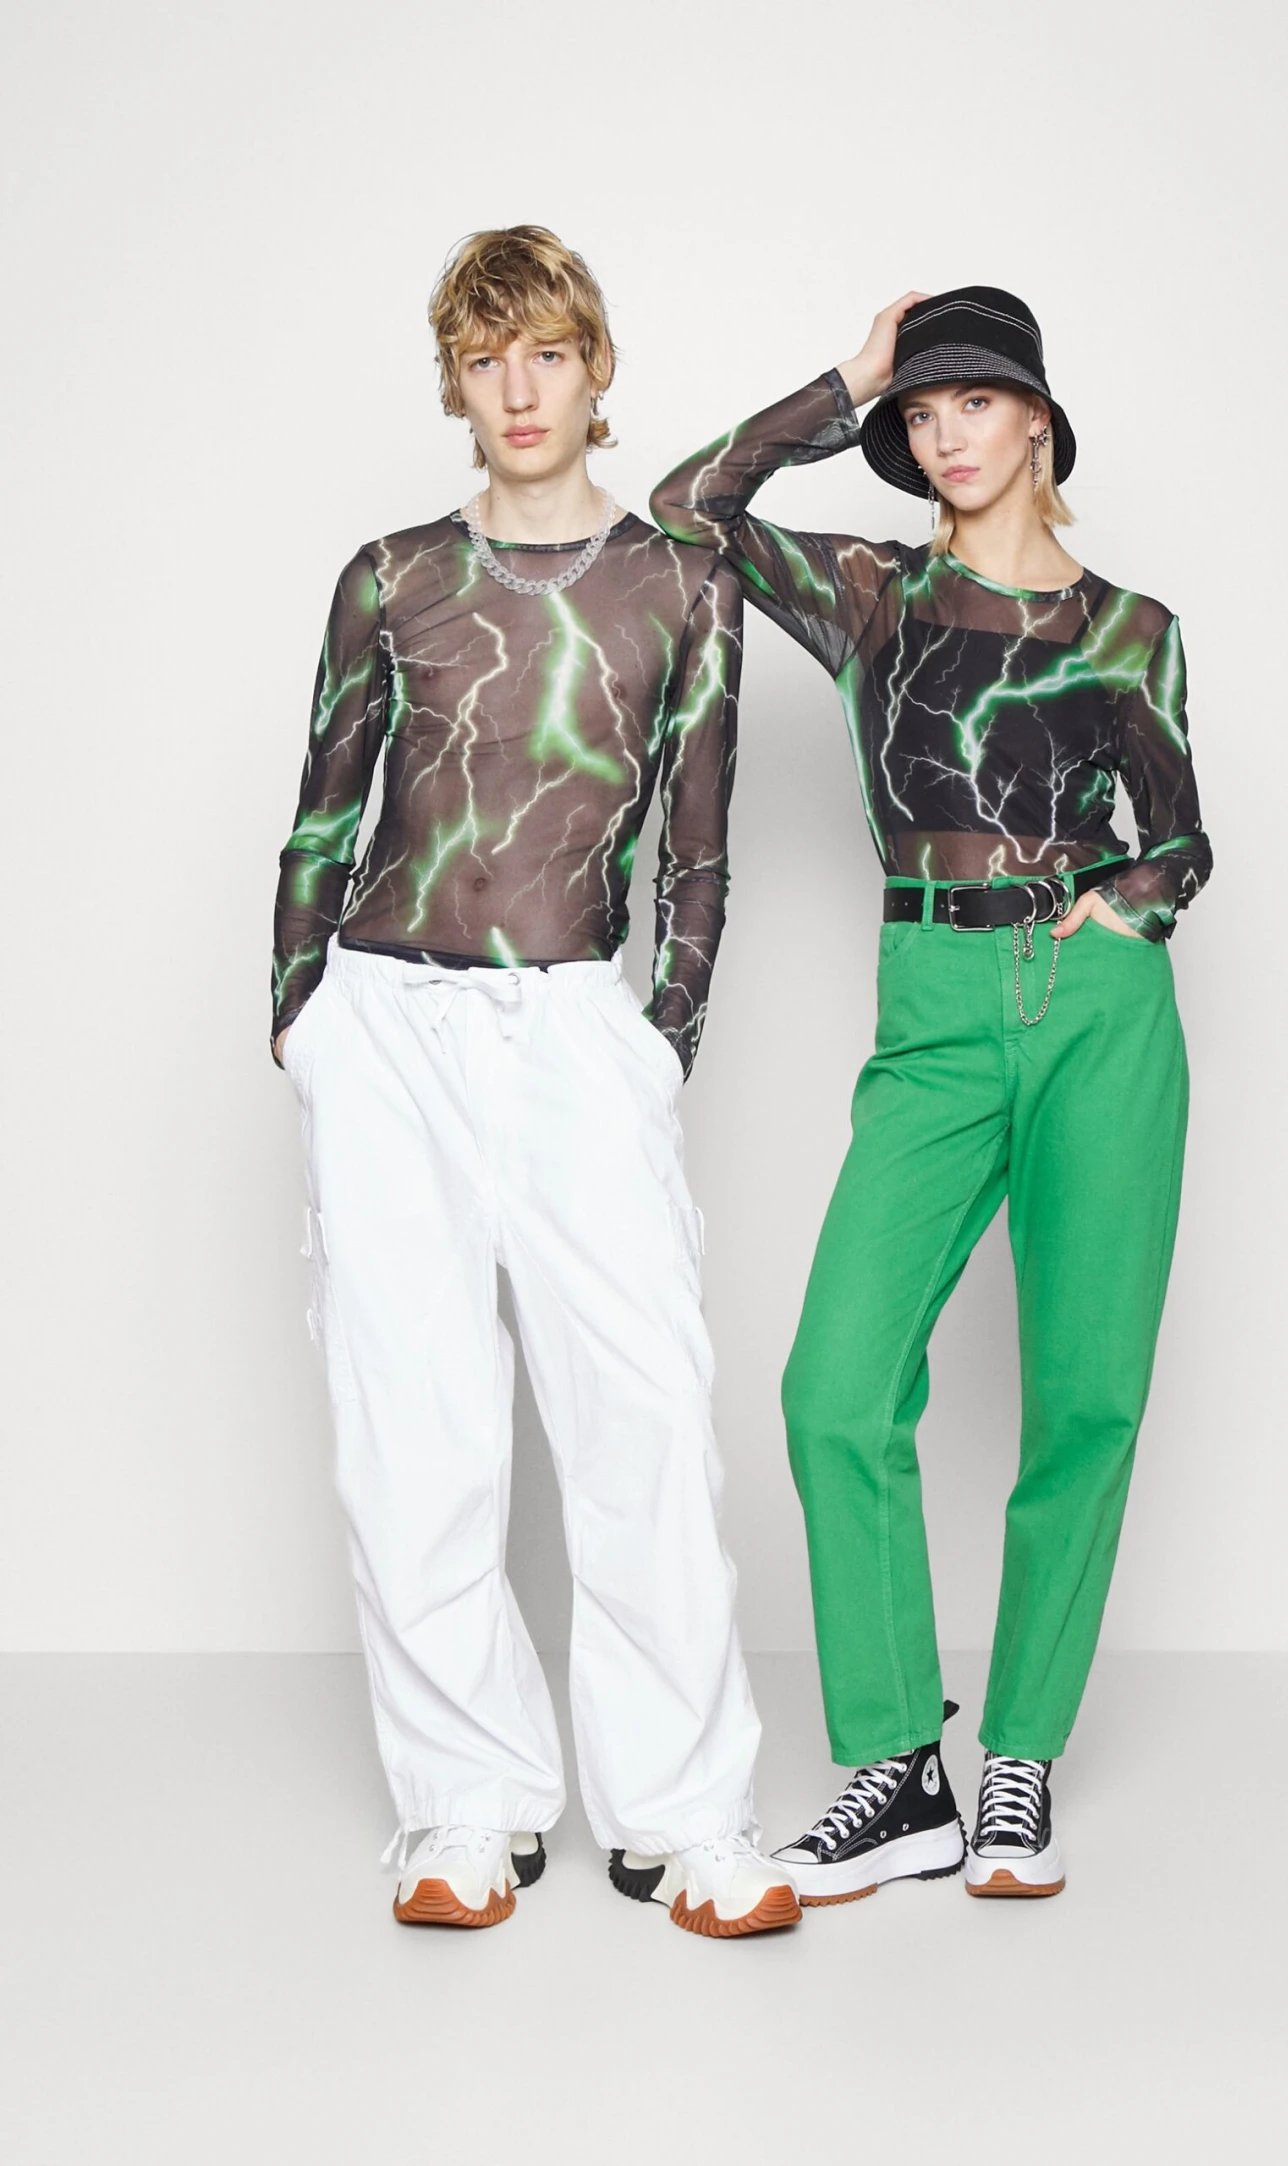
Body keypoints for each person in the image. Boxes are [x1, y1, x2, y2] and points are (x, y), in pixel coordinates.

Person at [651, 286, 1210, 1904]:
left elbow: (1179, 833)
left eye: (972, 400)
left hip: (1098, 1010)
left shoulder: (1133, 628)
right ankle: (899, 1772)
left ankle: (1021, 1752)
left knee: (1087, 1394)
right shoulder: (877, 595)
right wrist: (846, 376)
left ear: (1037, 419)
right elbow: (688, 508)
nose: (943, 432)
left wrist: (1131, 906)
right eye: (919, 411)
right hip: (935, 1004)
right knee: (835, 1386)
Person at [272, 225, 799, 1938]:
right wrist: (301, 1017)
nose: (518, 387)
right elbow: (323, 810)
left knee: (643, 1415)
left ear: (595, 369)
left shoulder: (679, 584)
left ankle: (684, 1815)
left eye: (548, 354)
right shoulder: (389, 578)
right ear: (455, 380)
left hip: (576, 1023)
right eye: (485, 358)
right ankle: (465, 1804)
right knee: (412, 1423)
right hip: (387, 1022)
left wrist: (661, 1038)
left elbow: (700, 850)